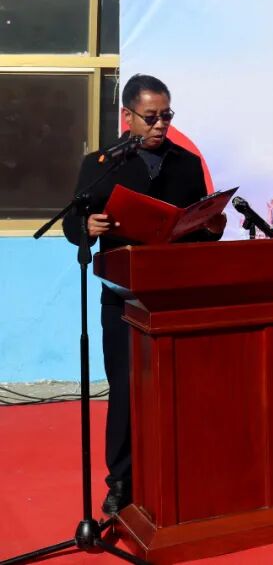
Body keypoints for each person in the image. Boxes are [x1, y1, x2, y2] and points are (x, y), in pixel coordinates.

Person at [62, 74, 226, 516]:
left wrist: (211, 226)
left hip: (173, 295)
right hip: (122, 296)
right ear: (127, 116)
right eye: (151, 117)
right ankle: (121, 480)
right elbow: (74, 223)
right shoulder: (101, 164)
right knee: (125, 389)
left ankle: (179, 469)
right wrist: (86, 226)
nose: (160, 125)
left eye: (166, 116)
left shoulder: (186, 164)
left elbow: (196, 228)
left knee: (177, 388)